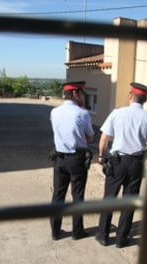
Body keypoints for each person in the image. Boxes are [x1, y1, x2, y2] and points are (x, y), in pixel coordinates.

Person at [95, 82, 147, 248]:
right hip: (136, 162)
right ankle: (121, 239)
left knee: (109, 198)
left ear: (130, 96)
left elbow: (104, 138)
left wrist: (100, 156)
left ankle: (103, 235)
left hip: (117, 161)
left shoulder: (117, 113)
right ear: (145, 99)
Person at [49, 81, 95, 241]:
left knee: (58, 195)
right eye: (82, 93)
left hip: (59, 158)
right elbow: (90, 137)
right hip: (77, 159)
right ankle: (77, 231)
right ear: (76, 93)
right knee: (77, 195)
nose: (84, 96)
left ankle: (55, 231)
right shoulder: (82, 113)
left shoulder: (54, 112)